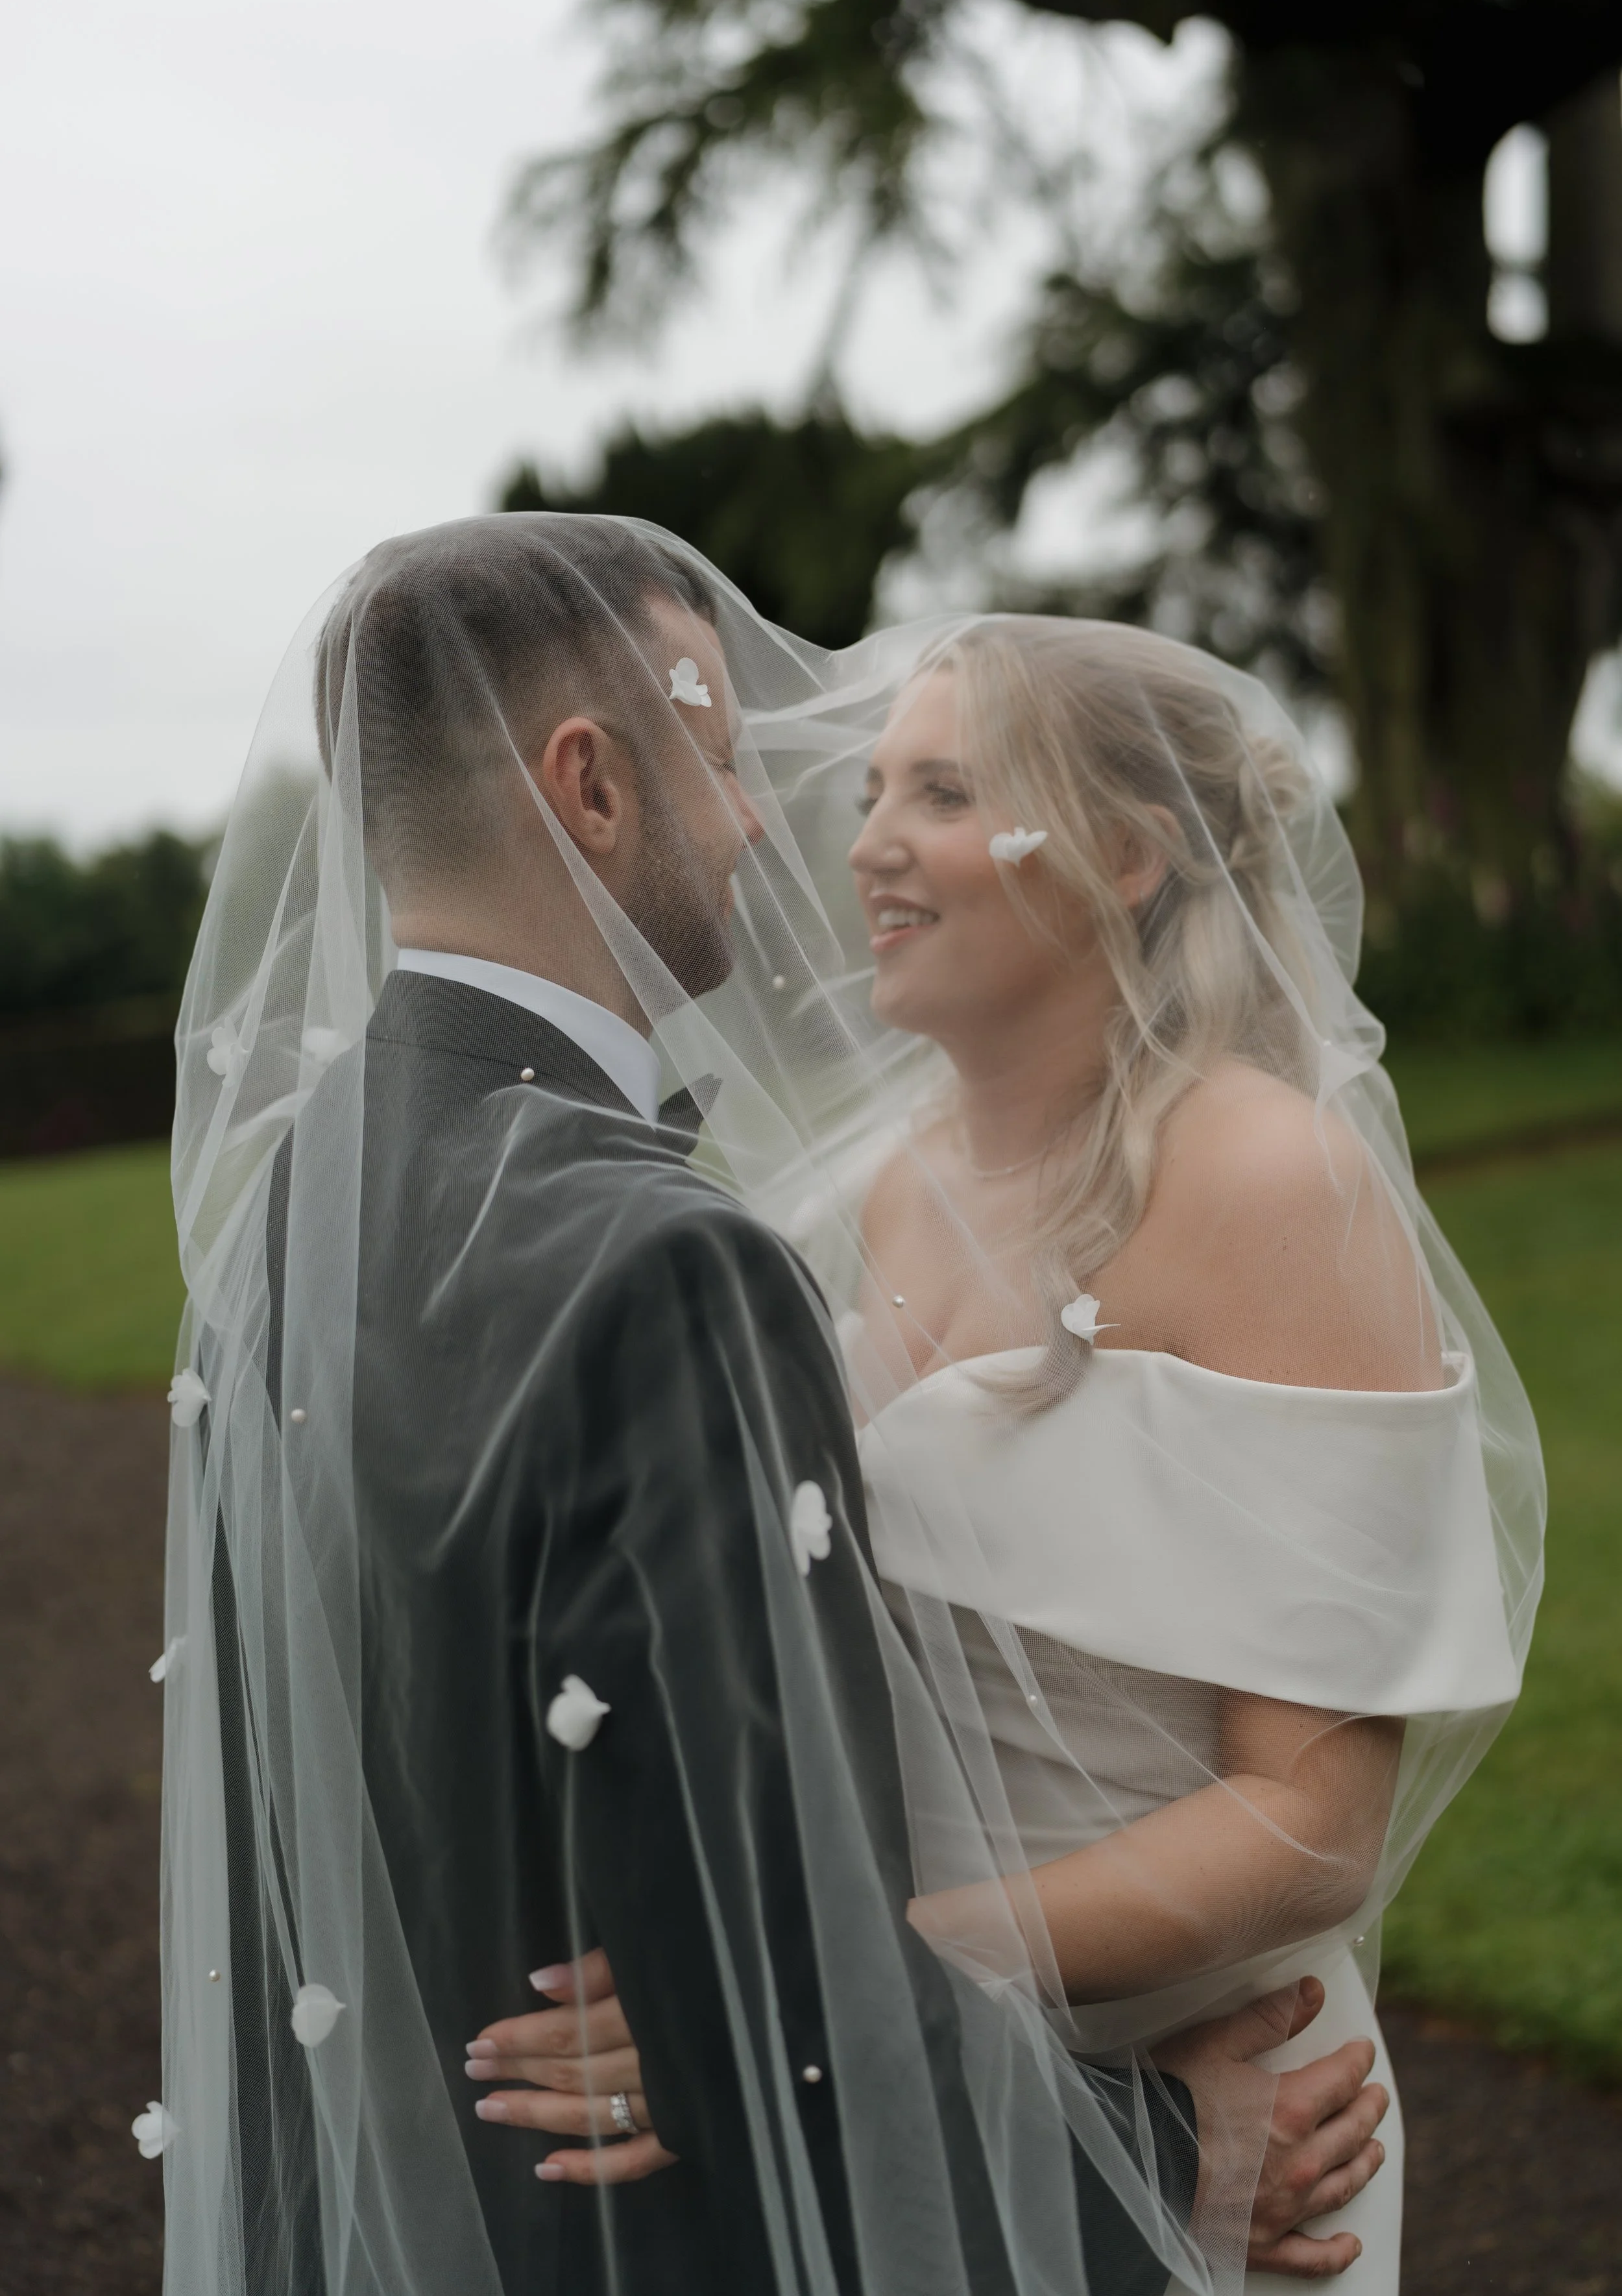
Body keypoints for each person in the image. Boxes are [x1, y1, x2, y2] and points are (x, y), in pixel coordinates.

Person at [152, 519, 1393, 2296]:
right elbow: (757, 1963)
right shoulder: (666, 1261)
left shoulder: (281, 1217)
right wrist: (1171, 2147)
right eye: (724, 755)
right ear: (588, 787)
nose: (765, 822)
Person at [497, 611, 1540, 2294]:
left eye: (945, 790)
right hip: (931, 2089)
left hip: (1223, 2119)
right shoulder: (895, 1183)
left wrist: (840, 1979)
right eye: (876, 786)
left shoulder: (1265, 1181)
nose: (867, 840)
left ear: (1130, 855)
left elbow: (1308, 1823)